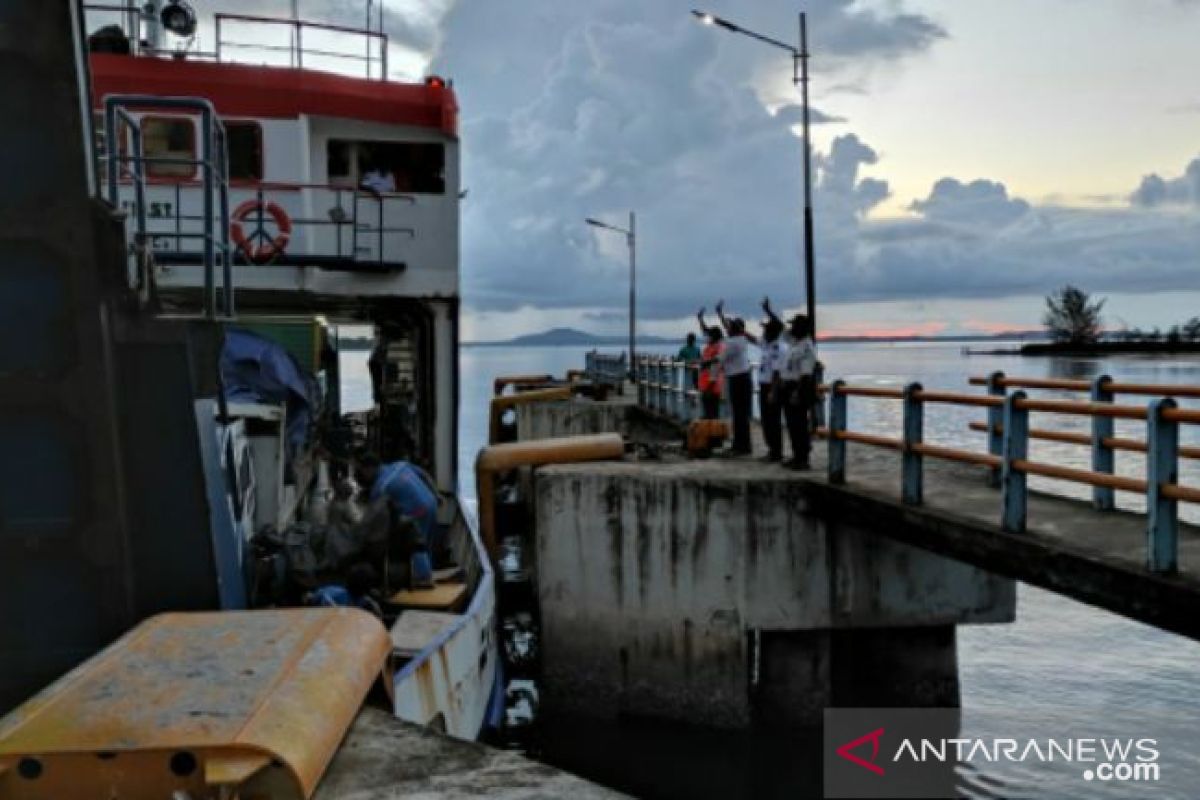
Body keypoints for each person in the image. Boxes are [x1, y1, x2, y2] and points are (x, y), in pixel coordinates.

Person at [354, 453, 439, 552]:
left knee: (418, 548)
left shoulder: (380, 487)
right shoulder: (400, 465)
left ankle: (422, 565)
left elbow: (372, 517)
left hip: (419, 512)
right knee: (428, 544)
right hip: (432, 502)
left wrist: (359, 532)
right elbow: (424, 475)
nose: (363, 476)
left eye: (362, 471)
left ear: (369, 469)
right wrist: (436, 494)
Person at [715, 300, 756, 455]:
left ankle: (741, 446)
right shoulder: (741, 339)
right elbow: (728, 326)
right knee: (741, 415)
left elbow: (721, 359)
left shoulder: (733, 343)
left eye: (730, 326)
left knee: (739, 415)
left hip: (738, 379)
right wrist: (720, 314)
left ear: (735, 329)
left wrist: (711, 371)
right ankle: (742, 445)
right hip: (742, 378)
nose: (727, 328)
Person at [781, 314, 817, 470]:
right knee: (792, 424)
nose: (792, 328)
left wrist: (797, 392)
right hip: (790, 386)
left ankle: (803, 459)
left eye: (795, 325)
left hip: (799, 387)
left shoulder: (806, 347)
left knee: (799, 424)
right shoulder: (795, 343)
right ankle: (797, 455)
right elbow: (784, 331)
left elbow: (806, 374)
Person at [757, 299, 787, 462]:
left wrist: (772, 392)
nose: (763, 332)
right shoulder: (766, 345)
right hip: (764, 386)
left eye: (766, 330)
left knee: (773, 421)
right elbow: (752, 339)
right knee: (766, 420)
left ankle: (776, 451)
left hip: (771, 387)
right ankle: (771, 450)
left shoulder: (777, 347)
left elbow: (777, 373)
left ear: (772, 332)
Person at [695, 308, 725, 420]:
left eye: (710, 335)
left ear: (715, 336)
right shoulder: (710, 346)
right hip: (705, 384)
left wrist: (705, 362)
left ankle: (714, 435)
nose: (707, 337)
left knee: (712, 412)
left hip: (712, 385)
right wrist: (700, 319)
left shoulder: (719, 346)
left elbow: (717, 361)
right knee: (707, 412)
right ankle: (710, 433)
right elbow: (705, 330)